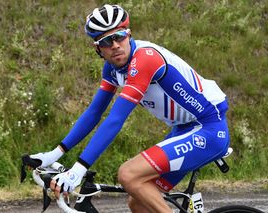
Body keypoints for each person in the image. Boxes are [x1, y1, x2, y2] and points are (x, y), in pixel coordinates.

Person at [29, 4, 230, 212]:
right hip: (183, 128)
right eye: (107, 41)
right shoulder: (112, 68)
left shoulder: (145, 59)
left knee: (128, 175)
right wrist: (54, 154)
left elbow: (116, 119)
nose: (115, 45)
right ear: (98, 48)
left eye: (120, 36)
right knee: (139, 202)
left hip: (208, 129)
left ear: (129, 34)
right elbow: (94, 113)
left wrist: (77, 170)